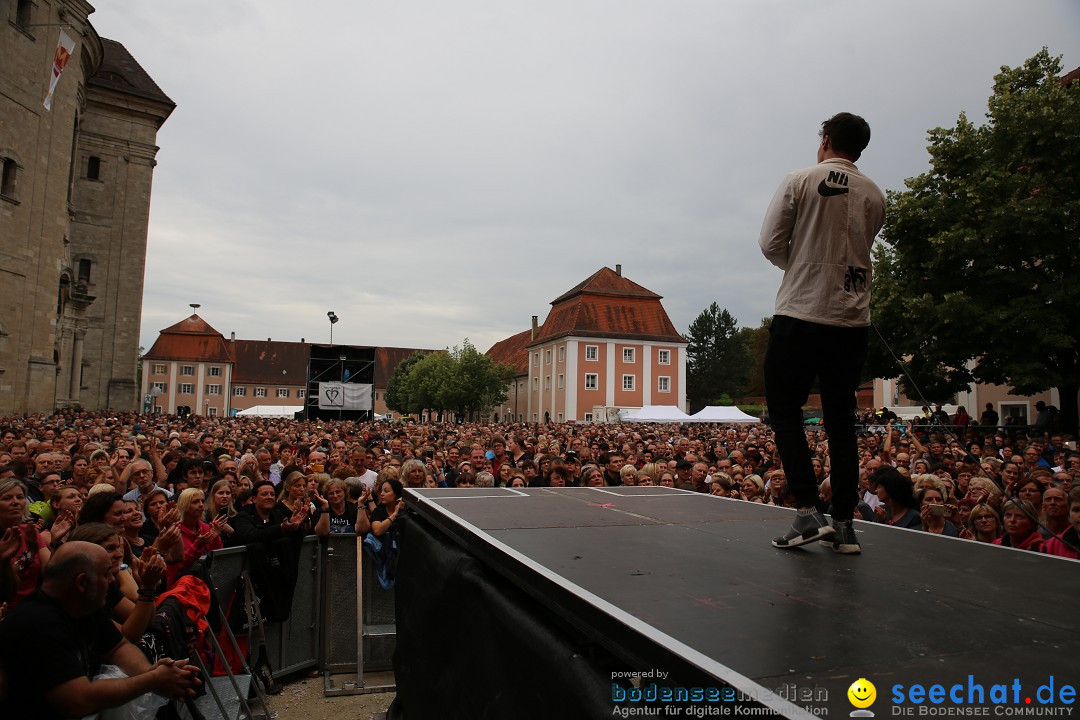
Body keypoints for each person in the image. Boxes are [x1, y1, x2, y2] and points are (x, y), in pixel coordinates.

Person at [759, 112, 886, 555]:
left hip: (801, 312)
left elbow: (770, 242)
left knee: (785, 411)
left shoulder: (800, 179)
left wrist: (801, 267)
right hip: (851, 320)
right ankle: (845, 524)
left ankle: (809, 511)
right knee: (840, 420)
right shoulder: (876, 193)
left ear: (826, 139)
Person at [0, 541, 201, 720]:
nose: (113, 581)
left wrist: (150, 672)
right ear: (82, 582)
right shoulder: (37, 623)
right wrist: (151, 680)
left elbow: (118, 647)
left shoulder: (84, 605)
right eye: (106, 574)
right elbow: (78, 700)